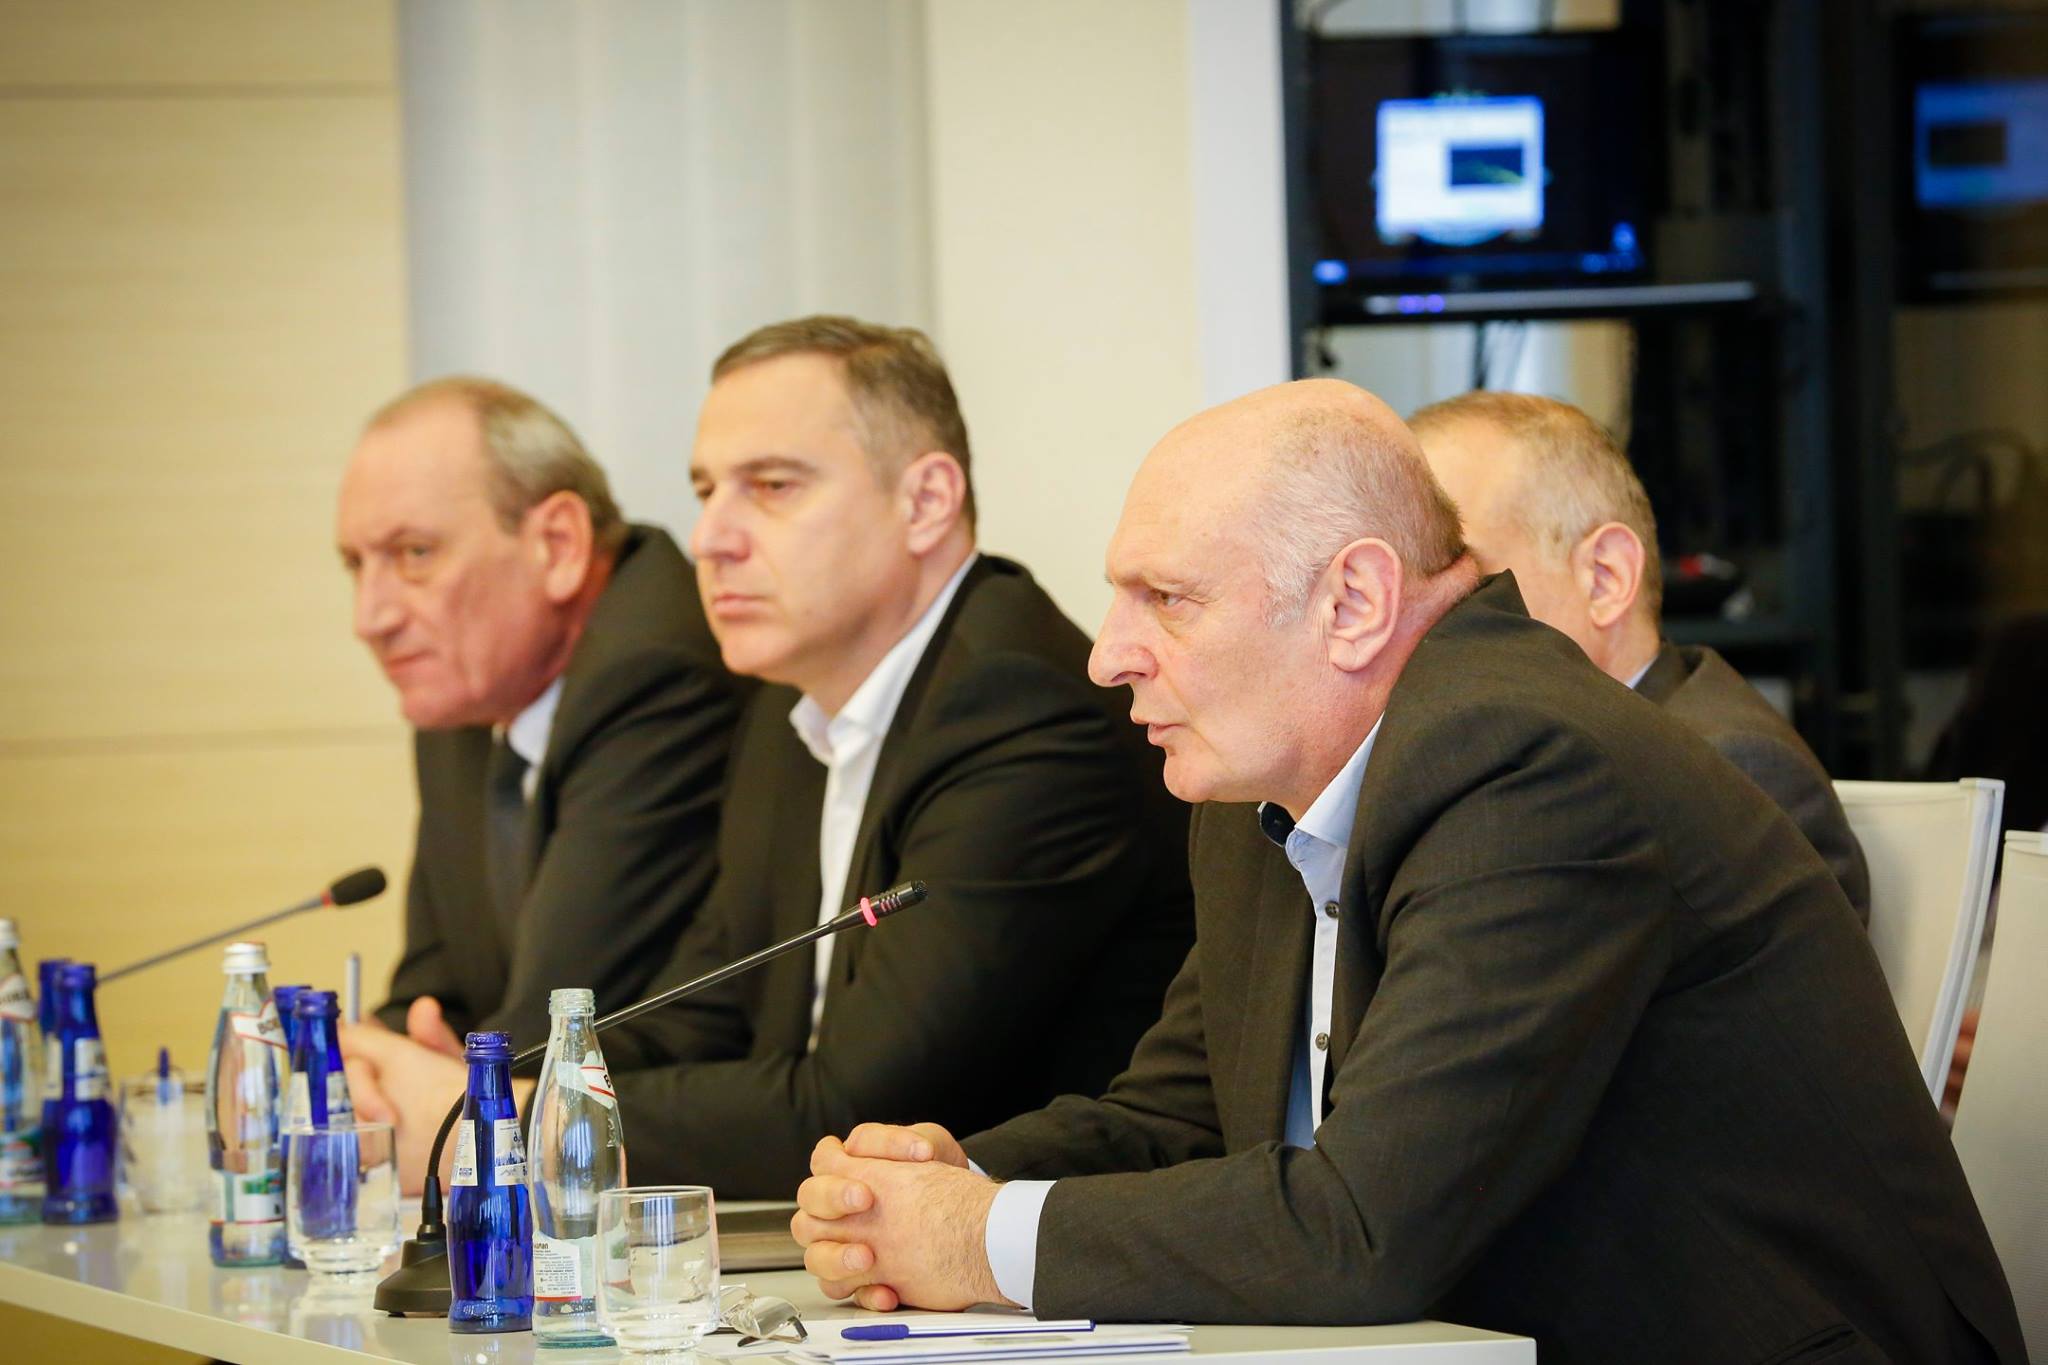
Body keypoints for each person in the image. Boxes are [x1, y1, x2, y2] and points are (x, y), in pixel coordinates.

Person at [788, 379, 2027, 1364]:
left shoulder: (1526, 763)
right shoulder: (1263, 783)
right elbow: (1181, 1119)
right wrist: (942, 1183)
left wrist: (982, 1240)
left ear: (1354, 603)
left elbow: (1366, 1228)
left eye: (1166, 599)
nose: (1108, 656)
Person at [356, 318, 1195, 1196]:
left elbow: (862, 1104)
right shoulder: (788, 706)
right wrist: (498, 1084)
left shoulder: (1020, 711)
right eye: (706, 490)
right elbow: (709, 1007)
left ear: (925, 503)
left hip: (1046, 1253)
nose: (711, 537)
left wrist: (521, 1123)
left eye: (772, 487)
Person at [334, 377, 747, 1121]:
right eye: (356, 565)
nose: (371, 616)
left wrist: (416, 1082)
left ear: (557, 545)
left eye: (414, 553)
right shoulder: (467, 692)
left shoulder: (655, 669)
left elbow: (557, 1023)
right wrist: (367, 1065)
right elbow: (435, 992)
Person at [1408, 390, 1871, 924]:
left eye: (1463, 577)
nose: (1414, 624)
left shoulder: (1729, 771)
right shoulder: (1492, 759)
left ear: (1605, 578)